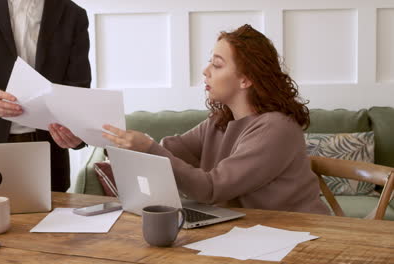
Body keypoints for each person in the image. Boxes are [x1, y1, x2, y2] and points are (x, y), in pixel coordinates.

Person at [57, 24, 330, 214]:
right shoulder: (219, 120)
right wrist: (88, 134)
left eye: (217, 64)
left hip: (297, 234)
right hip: (249, 232)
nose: (205, 70)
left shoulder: (275, 129)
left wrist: (149, 147)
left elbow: (211, 189)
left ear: (246, 79)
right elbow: (170, 149)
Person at [0, 0, 91, 192]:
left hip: (46, 150)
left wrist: (76, 132)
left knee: (49, 222)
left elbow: (78, 86)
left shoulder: (73, 14)